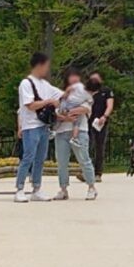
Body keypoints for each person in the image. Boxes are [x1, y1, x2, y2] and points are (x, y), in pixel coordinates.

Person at [15, 53, 63, 202]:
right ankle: (20, 188)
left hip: (43, 126)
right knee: (28, 157)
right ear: (40, 65)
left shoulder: (45, 85)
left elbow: (61, 95)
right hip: (31, 126)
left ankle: (36, 187)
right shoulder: (26, 83)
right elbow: (29, 105)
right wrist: (48, 101)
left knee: (40, 158)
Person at [52, 70, 98, 200]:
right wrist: (66, 115)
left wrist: (66, 112)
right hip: (62, 131)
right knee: (62, 162)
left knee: (84, 159)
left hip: (80, 131)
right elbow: (55, 112)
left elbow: (85, 109)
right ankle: (63, 188)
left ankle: (91, 186)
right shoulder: (61, 96)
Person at [86, 72, 117, 172]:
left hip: (100, 122)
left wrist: (105, 116)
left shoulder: (106, 91)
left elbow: (110, 105)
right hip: (87, 121)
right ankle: (87, 169)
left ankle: (98, 171)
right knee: (87, 145)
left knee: (99, 146)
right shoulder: (87, 92)